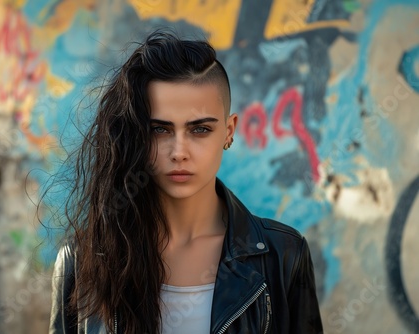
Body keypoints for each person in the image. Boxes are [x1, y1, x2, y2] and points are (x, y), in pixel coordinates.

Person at [49, 31, 323, 334]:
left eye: (200, 129)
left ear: (229, 131)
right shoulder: (83, 259)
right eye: (160, 130)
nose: (179, 152)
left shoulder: (282, 255)